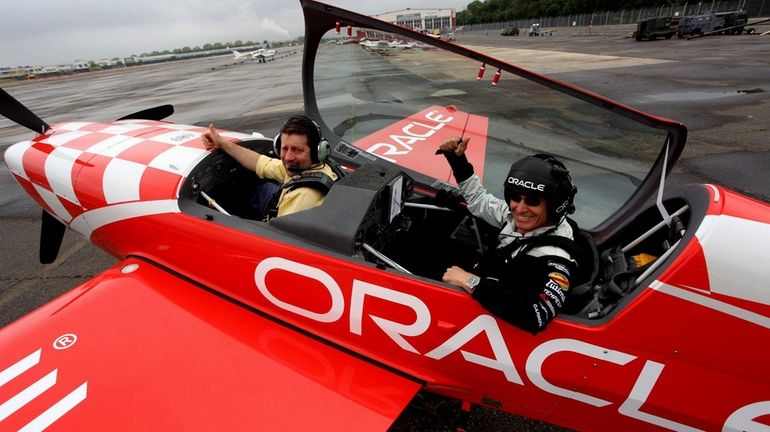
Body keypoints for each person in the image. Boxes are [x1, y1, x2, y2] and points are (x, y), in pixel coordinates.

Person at [438, 136, 579, 334]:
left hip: (490, 318)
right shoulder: (514, 216)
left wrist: (471, 281)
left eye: (532, 201)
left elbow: (535, 314)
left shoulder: (553, 257)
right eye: (514, 197)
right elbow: (479, 201)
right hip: (490, 286)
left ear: (555, 206)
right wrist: (457, 160)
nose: (520, 208)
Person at [202, 115, 338, 219]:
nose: (288, 157)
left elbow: (281, 239)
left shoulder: (302, 199)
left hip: (282, 228)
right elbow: (262, 163)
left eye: (297, 150)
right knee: (263, 189)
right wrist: (222, 143)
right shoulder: (311, 168)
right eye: (285, 148)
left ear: (317, 152)